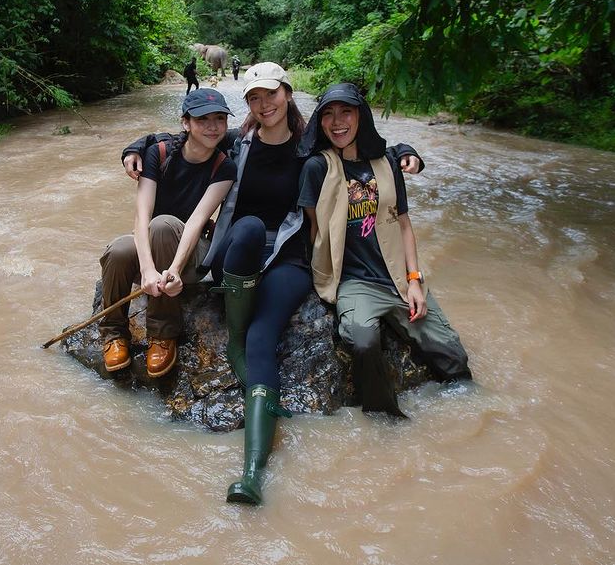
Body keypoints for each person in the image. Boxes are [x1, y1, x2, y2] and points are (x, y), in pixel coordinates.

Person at [122, 64, 425, 505]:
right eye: (254, 99)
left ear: (287, 94)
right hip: (237, 249)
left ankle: (251, 473)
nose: (264, 105)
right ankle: (236, 322)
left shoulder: (310, 147)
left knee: (263, 337)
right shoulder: (236, 141)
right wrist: (135, 146)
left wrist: (404, 150)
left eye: (271, 95)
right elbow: (171, 140)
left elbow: (363, 148)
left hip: (288, 255)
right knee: (245, 226)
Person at [298, 83, 472, 420]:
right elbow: (313, 230)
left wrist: (415, 280)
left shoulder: (388, 163)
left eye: (346, 112)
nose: (337, 122)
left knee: (453, 358)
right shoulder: (316, 168)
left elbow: (404, 224)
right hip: (355, 281)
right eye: (328, 115)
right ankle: (384, 417)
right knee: (362, 340)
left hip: (396, 278)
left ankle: (466, 413)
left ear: (360, 116)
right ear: (319, 122)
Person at [99, 88, 237, 378]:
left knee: (162, 224)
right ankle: (113, 334)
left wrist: (172, 269)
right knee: (118, 250)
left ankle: (162, 333)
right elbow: (141, 214)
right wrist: (147, 270)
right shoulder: (158, 153)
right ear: (186, 123)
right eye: (203, 119)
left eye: (219, 119)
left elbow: (198, 220)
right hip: (154, 241)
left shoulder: (224, 166)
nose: (212, 126)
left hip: (190, 257)